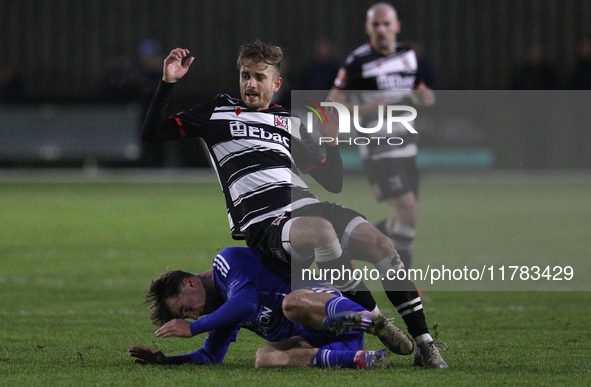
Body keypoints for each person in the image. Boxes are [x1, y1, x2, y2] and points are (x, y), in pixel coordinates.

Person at [141, 40, 447, 368]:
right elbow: (153, 132)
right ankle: (374, 320)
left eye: (259, 77)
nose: (250, 84)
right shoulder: (218, 112)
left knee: (381, 244)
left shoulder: (290, 123)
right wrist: (167, 83)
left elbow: (332, 182)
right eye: (245, 75)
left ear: (276, 84)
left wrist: (330, 140)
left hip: (306, 205)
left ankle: (425, 346)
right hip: (264, 222)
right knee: (320, 232)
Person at [129, 247, 412, 369]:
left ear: (190, 284)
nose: (192, 315)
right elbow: (209, 358)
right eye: (185, 316)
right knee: (264, 357)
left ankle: (372, 322)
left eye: (184, 308)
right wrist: (167, 361)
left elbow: (247, 303)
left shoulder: (225, 263)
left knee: (291, 304)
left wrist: (194, 327)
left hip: (325, 307)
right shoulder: (222, 312)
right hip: (325, 340)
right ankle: (361, 359)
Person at [329, 2, 435, 272]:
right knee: (408, 212)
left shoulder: (407, 55)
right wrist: (366, 108)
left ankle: (349, 245)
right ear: (367, 28)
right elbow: (332, 104)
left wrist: (425, 95)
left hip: (406, 146)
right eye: (375, 25)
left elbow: (420, 90)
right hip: (378, 148)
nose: (381, 30)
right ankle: (404, 279)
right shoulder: (358, 62)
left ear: (397, 27)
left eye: (386, 24)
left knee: (404, 218)